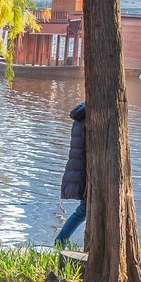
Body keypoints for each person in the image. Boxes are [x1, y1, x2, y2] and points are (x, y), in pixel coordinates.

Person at [54, 102, 87, 247]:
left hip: (78, 169)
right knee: (83, 210)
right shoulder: (91, 117)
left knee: (83, 210)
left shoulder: (80, 117)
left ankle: (60, 242)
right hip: (84, 172)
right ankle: (60, 242)